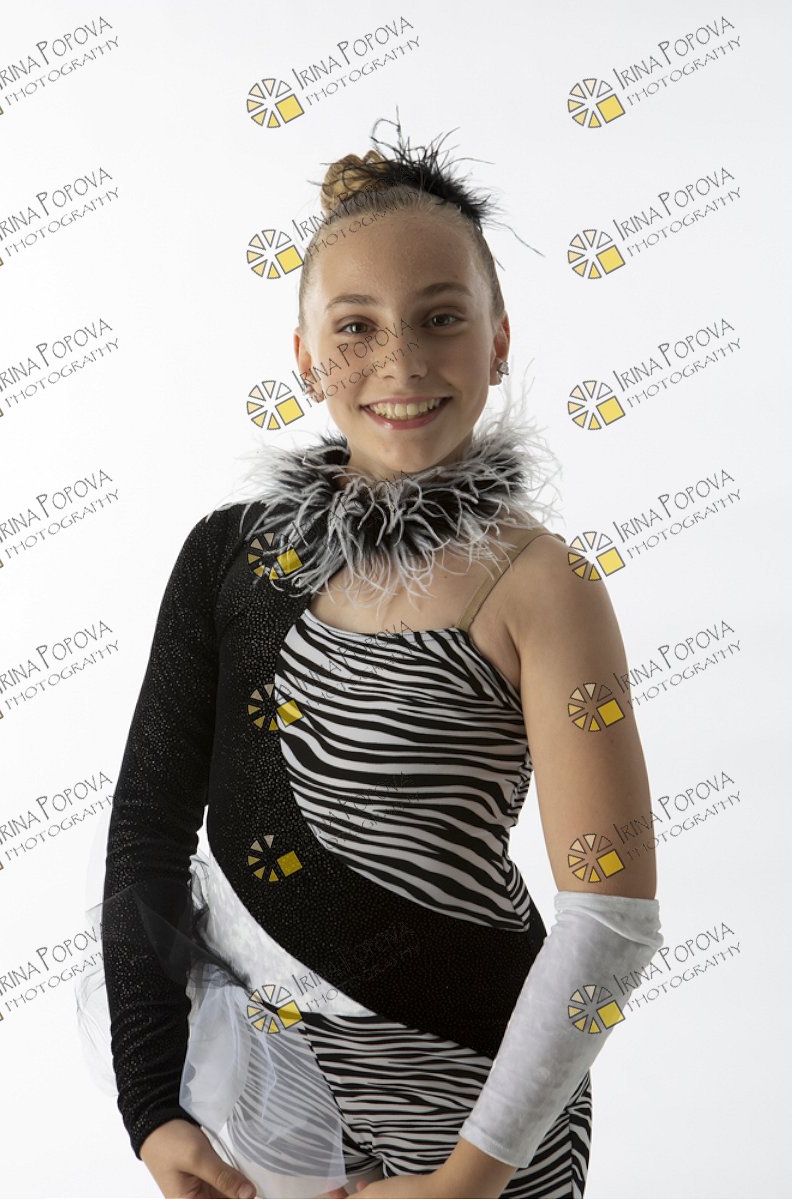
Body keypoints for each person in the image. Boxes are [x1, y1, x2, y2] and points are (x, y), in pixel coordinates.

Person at [76, 113, 663, 1199]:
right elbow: (146, 836)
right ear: (305, 357)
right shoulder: (230, 557)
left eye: (441, 317)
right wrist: (150, 1102)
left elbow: (611, 920)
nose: (400, 360)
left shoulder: (545, 585)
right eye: (356, 327)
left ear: (498, 339)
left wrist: (467, 1178)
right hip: (264, 1103)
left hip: (481, 1108)